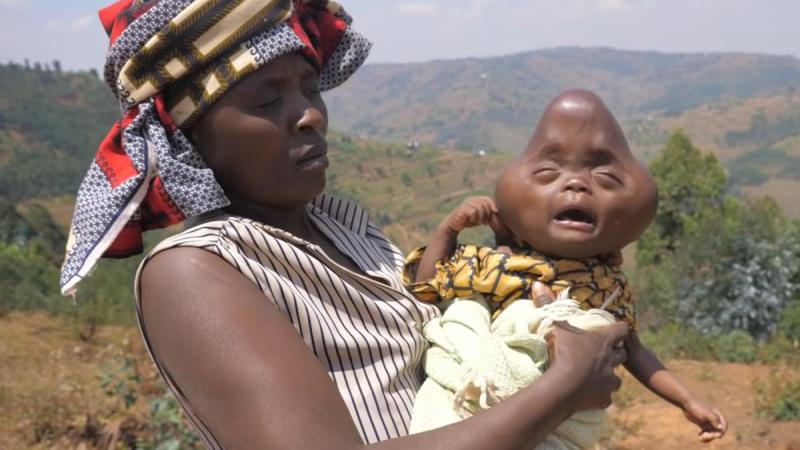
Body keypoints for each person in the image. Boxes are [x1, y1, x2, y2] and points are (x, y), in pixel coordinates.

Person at [60, 1, 631, 448]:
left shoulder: (340, 222)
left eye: (309, 88)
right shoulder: (196, 270)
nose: (309, 114)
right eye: (267, 101)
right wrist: (564, 388)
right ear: (191, 133)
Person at [404, 89, 728, 444]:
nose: (576, 183)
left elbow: (634, 351)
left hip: (555, 430)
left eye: (605, 177)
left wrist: (687, 401)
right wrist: (447, 230)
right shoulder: (495, 265)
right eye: (548, 172)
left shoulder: (606, 288)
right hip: (476, 411)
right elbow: (427, 289)